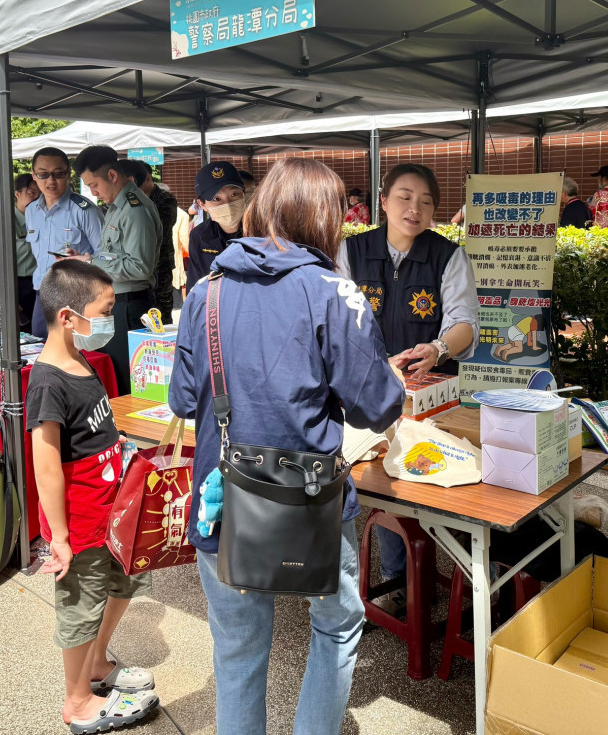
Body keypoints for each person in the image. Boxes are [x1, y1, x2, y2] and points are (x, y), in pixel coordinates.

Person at [168, 157, 405, 735]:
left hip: (224, 496)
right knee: (337, 627)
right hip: (310, 499)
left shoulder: (207, 292)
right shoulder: (334, 292)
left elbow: (182, 398)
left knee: (237, 647)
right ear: (325, 220)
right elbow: (377, 406)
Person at [337, 163, 479, 615]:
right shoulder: (351, 251)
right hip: (369, 393)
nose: (414, 208)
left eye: (425, 201)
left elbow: (465, 324)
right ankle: (399, 581)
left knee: (434, 479)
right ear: (383, 201)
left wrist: (439, 348)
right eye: (404, 196)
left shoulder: (448, 256)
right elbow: (336, 322)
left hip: (429, 396)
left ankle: (455, 578)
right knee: (384, 485)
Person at [27, 260, 159, 734]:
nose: (109, 321)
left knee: (126, 583)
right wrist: (60, 539)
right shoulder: (47, 381)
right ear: (68, 317)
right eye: (104, 312)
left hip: (113, 509)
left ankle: (98, 663)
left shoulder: (82, 359)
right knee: (81, 607)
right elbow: (46, 466)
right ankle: (78, 701)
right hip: (81, 525)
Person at [70, 146, 162, 395]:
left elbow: (139, 267)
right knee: (114, 377)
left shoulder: (135, 210)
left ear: (112, 175)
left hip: (129, 307)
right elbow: (110, 255)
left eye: (94, 185)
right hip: (116, 304)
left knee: (128, 383)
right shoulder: (116, 207)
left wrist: (91, 264)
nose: (93, 192)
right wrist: (86, 260)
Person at [25, 148, 104, 339]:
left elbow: (105, 257)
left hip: (76, 298)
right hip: (42, 294)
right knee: (40, 348)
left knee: (75, 351)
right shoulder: (31, 211)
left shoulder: (85, 211)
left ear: (68, 174)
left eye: (58, 174)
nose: (51, 181)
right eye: (43, 174)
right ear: (33, 175)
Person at [119, 160, 179, 322]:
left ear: (147, 178)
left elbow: (156, 227)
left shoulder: (165, 199)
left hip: (160, 265)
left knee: (161, 312)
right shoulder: (129, 201)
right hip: (136, 267)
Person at [0, 173, 41, 334]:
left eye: (40, 194)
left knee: (39, 334)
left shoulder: (43, 219)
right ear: (17, 194)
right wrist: (8, 294)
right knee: (17, 336)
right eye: (31, 193)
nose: (36, 198)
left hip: (38, 285)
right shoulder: (6, 223)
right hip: (15, 286)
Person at [186, 161, 246, 292]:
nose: (228, 204)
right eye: (217, 199)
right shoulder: (200, 236)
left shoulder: (263, 231)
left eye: (234, 194)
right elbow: (195, 286)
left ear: (244, 194)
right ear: (202, 205)